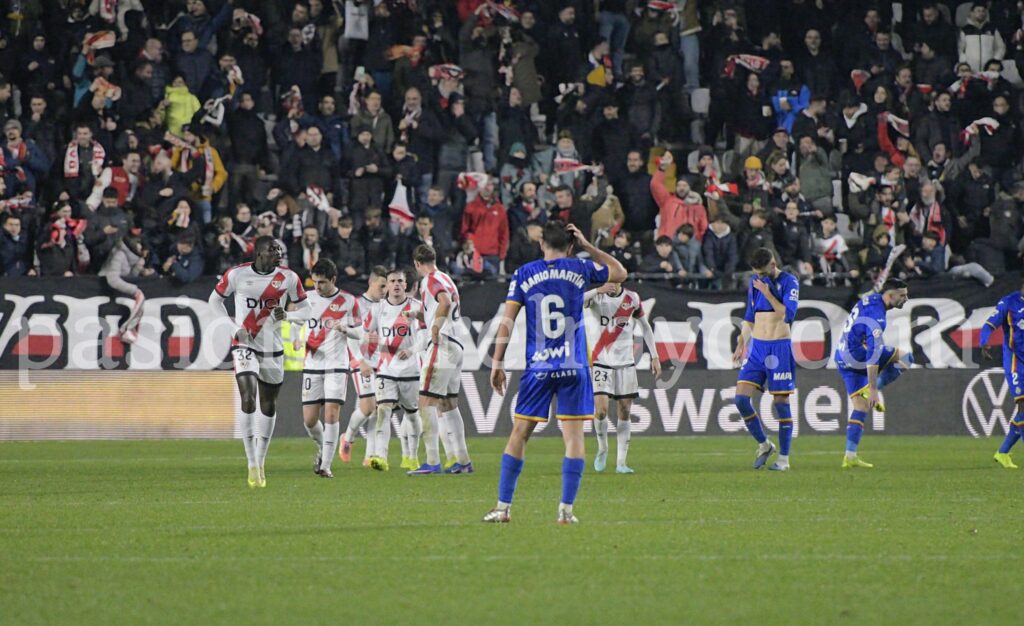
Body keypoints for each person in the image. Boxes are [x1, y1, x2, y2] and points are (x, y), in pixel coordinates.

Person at [483, 221, 627, 524]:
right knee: (574, 438)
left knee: (519, 434)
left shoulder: (524, 273)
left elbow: (506, 322)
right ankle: (566, 511)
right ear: (571, 245)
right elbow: (619, 272)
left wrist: (497, 363)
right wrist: (589, 247)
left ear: (541, 243)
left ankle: (502, 508)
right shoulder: (580, 268)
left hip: (539, 366)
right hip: (573, 365)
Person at [208, 237, 310, 488]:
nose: (278, 253)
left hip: (273, 349)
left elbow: (308, 310)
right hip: (245, 343)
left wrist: (287, 315)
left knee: (268, 405)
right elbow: (214, 301)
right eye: (272, 249)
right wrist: (233, 328)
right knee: (248, 397)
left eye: (279, 249)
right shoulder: (237, 275)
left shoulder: (289, 278)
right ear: (259, 253)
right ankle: (251, 463)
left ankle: (261, 461)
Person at [732, 248, 800, 471]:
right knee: (741, 399)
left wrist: (768, 292)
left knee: (781, 402)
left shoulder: (790, 282)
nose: (759, 277)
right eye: (756, 274)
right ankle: (764, 444)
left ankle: (784, 459)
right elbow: (750, 317)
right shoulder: (755, 282)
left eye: (762, 273)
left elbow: (787, 314)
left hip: (779, 349)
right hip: (757, 349)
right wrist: (741, 342)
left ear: (772, 265)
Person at [409, 244, 472, 475]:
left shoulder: (430, 280)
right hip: (457, 344)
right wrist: (419, 314)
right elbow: (444, 304)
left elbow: (444, 302)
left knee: (425, 401)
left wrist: (435, 326)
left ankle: (432, 461)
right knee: (448, 404)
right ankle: (463, 461)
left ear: (417, 264)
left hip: (442, 343)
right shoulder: (446, 277)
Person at [584, 282, 660, 474]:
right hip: (601, 360)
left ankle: (621, 463)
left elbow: (645, 327)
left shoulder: (632, 298)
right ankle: (602, 448)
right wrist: (596, 290)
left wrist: (655, 356)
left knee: (624, 410)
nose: (611, 283)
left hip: (626, 362)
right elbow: (574, 301)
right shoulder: (597, 297)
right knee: (600, 410)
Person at [835, 280, 912, 469]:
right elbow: (873, 356)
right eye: (902, 295)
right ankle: (873, 387)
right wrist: (873, 388)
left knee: (860, 407)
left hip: (841, 357)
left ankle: (850, 456)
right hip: (857, 356)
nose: (906, 299)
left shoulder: (871, 298)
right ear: (890, 295)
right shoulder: (877, 317)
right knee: (907, 358)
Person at [296, 259, 362, 479]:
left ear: (333, 279)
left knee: (332, 413)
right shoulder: (306, 298)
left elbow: (360, 333)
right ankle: (323, 447)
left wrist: (345, 328)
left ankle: (326, 465)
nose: (317, 287)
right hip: (313, 364)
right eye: (315, 282)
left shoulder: (349, 301)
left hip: (336, 364)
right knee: (309, 420)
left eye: (322, 282)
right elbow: (298, 322)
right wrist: (297, 339)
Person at [361, 268, 426, 472]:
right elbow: (365, 331)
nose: (396, 284)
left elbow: (425, 337)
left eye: (400, 281)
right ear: (386, 285)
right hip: (386, 369)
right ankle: (381, 456)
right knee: (383, 410)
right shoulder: (378, 309)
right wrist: (363, 341)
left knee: (413, 414)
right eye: (392, 281)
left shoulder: (416, 307)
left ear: (406, 285)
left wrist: (412, 350)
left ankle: (412, 455)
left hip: (411, 371)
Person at [339, 266, 389, 466]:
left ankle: (370, 455)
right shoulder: (357, 304)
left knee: (377, 409)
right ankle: (348, 437)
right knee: (368, 407)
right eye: (381, 285)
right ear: (371, 281)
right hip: (361, 360)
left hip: (381, 361)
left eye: (386, 286)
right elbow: (348, 334)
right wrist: (360, 360)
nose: (384, 290)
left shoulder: (386, 306)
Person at [980, 278, 1024, 469]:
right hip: (1016, 362)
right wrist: (984, 342)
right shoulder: (1009, 302)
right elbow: (989, 324)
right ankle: (1003, 452)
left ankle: (1003, 452)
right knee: (1023, 406)